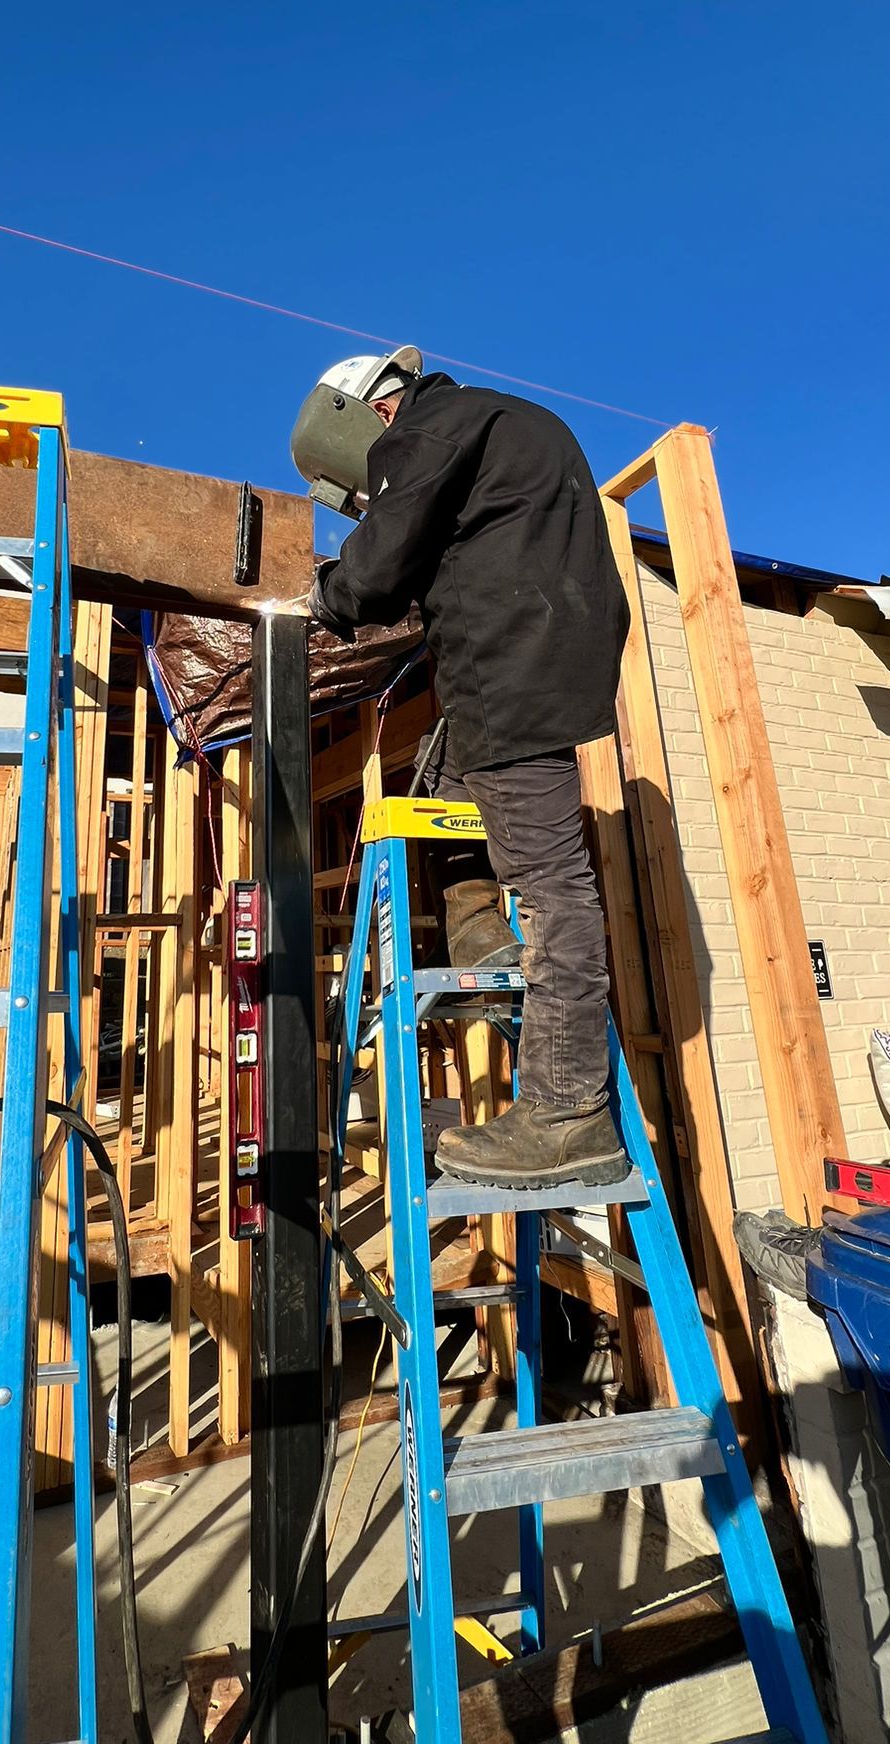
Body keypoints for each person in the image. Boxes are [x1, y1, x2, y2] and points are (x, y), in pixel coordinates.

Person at [291, 347, 631, 1188]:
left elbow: (379, 565)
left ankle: (568, 1114)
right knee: (445, 778)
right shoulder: (500, 423)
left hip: (512, 667)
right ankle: (478, 932)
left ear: (367, 414)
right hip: (535, 656)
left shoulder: (429, 428)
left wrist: (326, 595)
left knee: (552, 885)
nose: (369, 494)